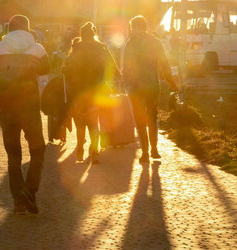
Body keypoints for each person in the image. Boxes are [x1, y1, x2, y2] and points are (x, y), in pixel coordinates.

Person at [0, 14, 50, 214]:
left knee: (13, 154)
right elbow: (47, 68)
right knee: (38, 149)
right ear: (28, 29)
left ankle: (19, 203)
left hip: (7, 106)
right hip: (30, 106)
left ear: (8, 29)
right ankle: (30, 189)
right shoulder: (37, 48)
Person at [122, 15, 178, 164]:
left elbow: (125, 67)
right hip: (152, 86)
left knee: (140, 120)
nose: (132, 30)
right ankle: (154, 149)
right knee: (152, 117)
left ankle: (146, 152)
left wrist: (125, 83)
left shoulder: (131, 44)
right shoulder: (155, 43)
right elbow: (164, 64)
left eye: (132, 27)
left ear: (135, 27)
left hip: (135, 88)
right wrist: (171, 82)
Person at [64, 22, 119, 163]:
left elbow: (68, 66)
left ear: (81, 34)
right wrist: (118, 77)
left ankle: (80, 148)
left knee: (81, 121)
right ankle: (94, 152)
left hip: (79, 91)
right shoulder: (101, 47)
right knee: (94, 122)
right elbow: (110, 65)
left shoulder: (76, 47)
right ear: (94, 33)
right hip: (96, 90)